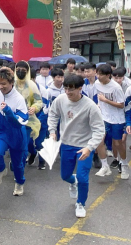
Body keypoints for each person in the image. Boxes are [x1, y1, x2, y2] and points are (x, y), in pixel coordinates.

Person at [48, 74, 105, 218]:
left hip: (84, 147)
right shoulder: (60, 100)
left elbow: (99, 129)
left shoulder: (90, 106)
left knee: (83, 177)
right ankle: (73, 182)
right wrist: (52, 131)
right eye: (65, 88)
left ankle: (81, 203)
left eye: (71, 90)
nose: (67, 92)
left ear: (80, 88)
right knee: (65, 175)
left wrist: (90, 147)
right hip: (66, 144)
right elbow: (53, 114)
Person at [0, 68, 28, 195]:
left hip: (16, 133)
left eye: (3, 84)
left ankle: (19, 183)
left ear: (11, 82)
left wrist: (9, 112)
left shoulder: (19, 99)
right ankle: (1, 170)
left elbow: (21, 121)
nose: (0, 86)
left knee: (17, 164)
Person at [93, 64, 128, 179]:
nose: (98, 76)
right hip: (103, 116)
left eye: (101, 74)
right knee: (99, 140)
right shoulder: (97, 83)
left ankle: (124, 165)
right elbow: (97, 98)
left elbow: (121, 105)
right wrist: (99, 104)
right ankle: (104, 166)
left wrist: (105, 100)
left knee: (118, 143)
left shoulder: (116, 87)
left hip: (117, 118)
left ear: (108, 75)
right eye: (97, 73)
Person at [13, 62, 43, 169]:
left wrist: (34, 108)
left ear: (27, 71)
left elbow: (38, 101)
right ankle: (17, 165)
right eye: (18, 69)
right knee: (16, 143)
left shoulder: (31, 85)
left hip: (27, 120)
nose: (20, 71)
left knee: (26, 144)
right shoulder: (11, 83)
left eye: (23, 70)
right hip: (12, 119)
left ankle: (22, 162)